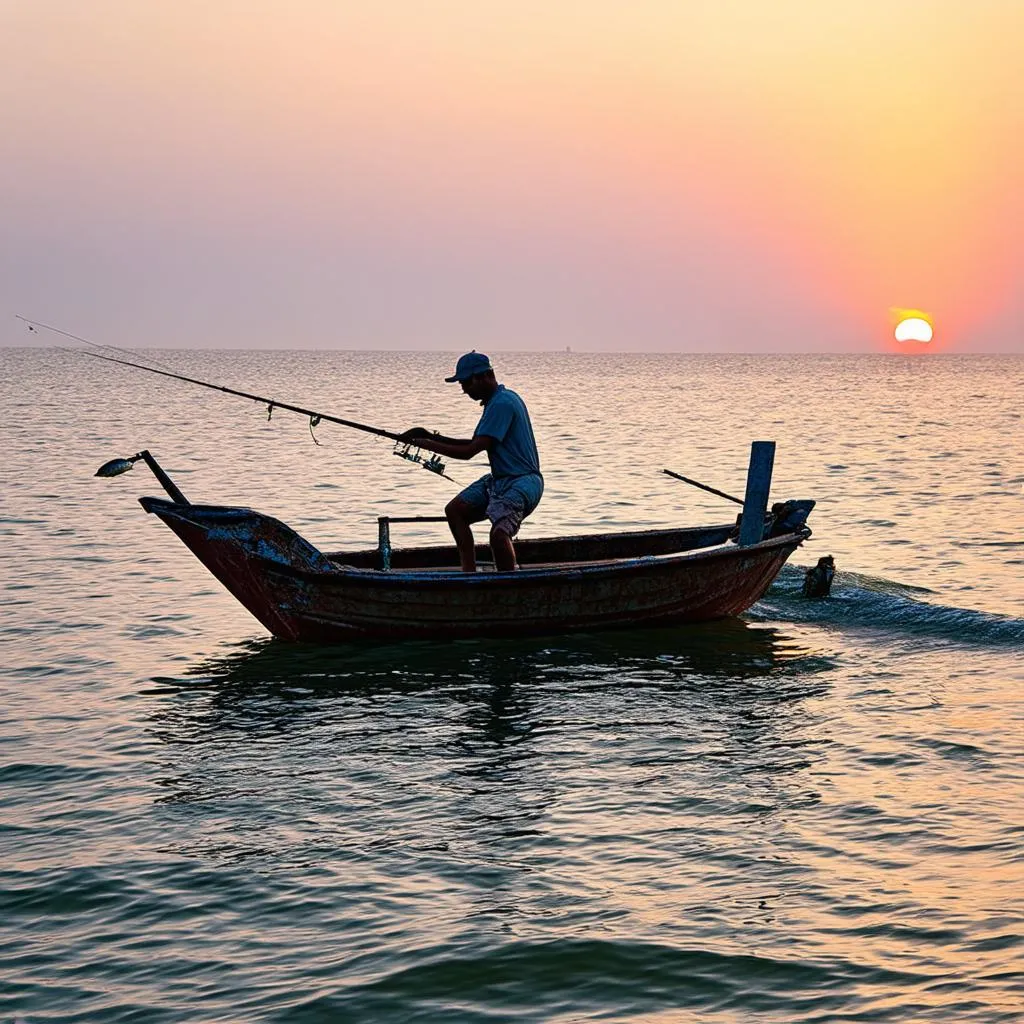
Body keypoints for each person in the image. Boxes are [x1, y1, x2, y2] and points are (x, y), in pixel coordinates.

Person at [400, 352, 543, 572]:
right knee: (455, 511)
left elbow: (469, 452)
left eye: (466, 382)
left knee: (498, 535)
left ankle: (509, 585)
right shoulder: (497, 401)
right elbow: (475, 442)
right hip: (500, 480)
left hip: (523, 483)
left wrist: (426, 444)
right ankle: (469, 574)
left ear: (486, 376)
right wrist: (429, 435)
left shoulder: (502, 404)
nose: (464, 389)